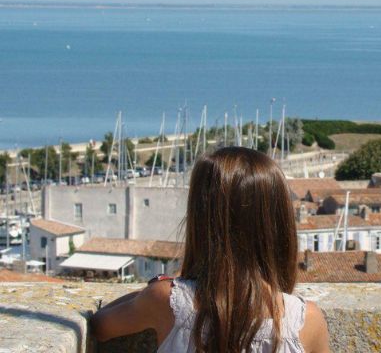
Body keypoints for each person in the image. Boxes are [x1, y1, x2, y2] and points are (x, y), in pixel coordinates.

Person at [91, 147, 330, 353]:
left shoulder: (168, 301)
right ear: (280, 226)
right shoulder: (306, 320)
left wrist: (162, 283)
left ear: (200, 220)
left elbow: (100, 325)